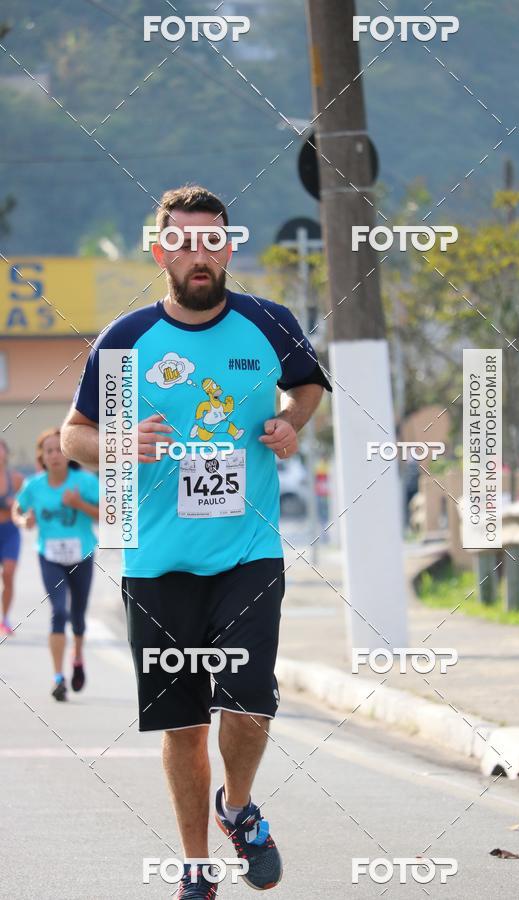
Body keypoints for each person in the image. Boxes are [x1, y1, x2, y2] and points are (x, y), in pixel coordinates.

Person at [61, 185, 331, 898]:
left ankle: (238, 809)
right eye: (181, 241)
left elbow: (307, 387)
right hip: (156, 561)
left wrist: (289, 422)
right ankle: (195, 866)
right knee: (182, 726)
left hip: (249, 551)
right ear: (160, 252)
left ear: (229, 246)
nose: (198, 253)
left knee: (248, 701)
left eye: (212, 239)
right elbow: (75, 438)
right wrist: (121, 442)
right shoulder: (125, 341)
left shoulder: (269, 325)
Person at [13, 429, 99, 701]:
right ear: (42, 457)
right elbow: (18, 508)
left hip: (81, 554)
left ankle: (77, 656)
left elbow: (109, 513)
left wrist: (78, 504)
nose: (54, 455)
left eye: (59, 449)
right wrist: (23, 520)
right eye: (48, 451)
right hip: (49, 556)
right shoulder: (34, 486)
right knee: (58, 611)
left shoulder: (84, 482)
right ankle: (58, 677)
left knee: (78, 615)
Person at [0, 440, 23, 635]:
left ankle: (5, 618)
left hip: (10, 532)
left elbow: (26, 505)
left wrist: (14, 504)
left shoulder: (15, 478)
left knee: (8, 574)